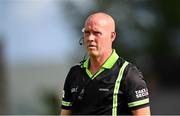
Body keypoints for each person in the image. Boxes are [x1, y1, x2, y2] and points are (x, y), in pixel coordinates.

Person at [60, 12, 150, 115]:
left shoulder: (128, 74)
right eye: (87, 32)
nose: (90, 38)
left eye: (96, 33)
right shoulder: (74, 72)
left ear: (112, 36)